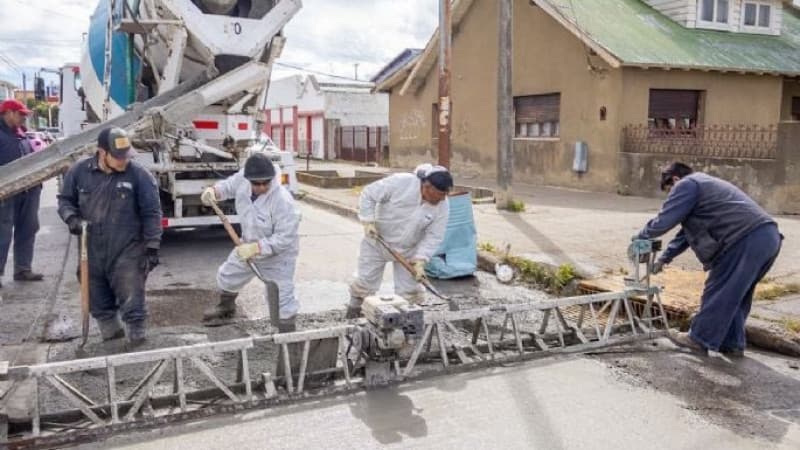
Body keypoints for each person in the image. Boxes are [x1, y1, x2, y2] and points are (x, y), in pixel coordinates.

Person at [635, 162, 782, 357]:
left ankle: (698, 339)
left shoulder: (687, 184)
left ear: (676, 180)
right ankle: (732, 344)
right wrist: (664, 258)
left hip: (744, 239)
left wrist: (641, 237)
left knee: (718, 289)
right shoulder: (704, 185)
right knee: (736, 294)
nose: (671, 196)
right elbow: (686, 234)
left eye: (669, 190)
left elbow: (665, 220)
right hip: (768, 238)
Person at [58, 127, 162, 347]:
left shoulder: (139, 175)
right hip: (91, 249)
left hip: (127, 249)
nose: (123, 161)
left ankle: (138, 344)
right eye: (118, 156)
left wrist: (152, 246)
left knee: (132, 299)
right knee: (98, 300)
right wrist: (71, 218)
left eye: (126, 156)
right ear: (102, 152)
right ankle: (112, 342)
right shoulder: (79, 172)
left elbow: (152, 212)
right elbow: (65, 200)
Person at [200, 152, 301, 332]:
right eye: (257, 184)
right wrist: (214, 191)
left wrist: (257, 248)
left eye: (265, 183)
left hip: (277, 256)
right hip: (246, 245)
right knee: (228, 275)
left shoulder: (283, 201)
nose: (261, 187)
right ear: (249, 180)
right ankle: (226, 308)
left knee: (282, 299)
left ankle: (287, 334)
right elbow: (228, 186)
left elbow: (285, 238)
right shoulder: (243, 178)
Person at [346, 164, 453, 318]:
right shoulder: (401, 183)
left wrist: (421, 260)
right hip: (377, 242)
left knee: (410, 293)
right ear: (426, 186)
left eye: (444, 196)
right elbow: (369, 194)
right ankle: (353, 316)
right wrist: (368, 221)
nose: (441, 200)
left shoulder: (443, 205)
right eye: (438, 196)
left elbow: (434, 236)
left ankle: (406, 327)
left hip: (409, 250)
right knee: (364, 284)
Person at [0, 99, 44, 288]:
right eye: (21, 114)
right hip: (6, 192)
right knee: (2, 233)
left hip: (29, 189)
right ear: (8, 113)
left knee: (28, 228)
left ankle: (22, 269)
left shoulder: (22, 133)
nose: (24, 118)